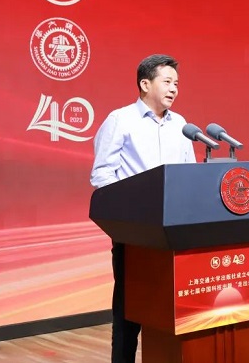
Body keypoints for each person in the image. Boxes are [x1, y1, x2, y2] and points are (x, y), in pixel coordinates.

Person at [90, 54, 196, 363]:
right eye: (167, 81)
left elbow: (189, 173)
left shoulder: (182, 125)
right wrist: (131, 208)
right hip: (135, 234)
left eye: (176, 83)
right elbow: (102, 175)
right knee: (129, 311)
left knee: (170, 308)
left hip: (174, 232)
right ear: (145, 84)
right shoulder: (120, 120)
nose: (174, 89)